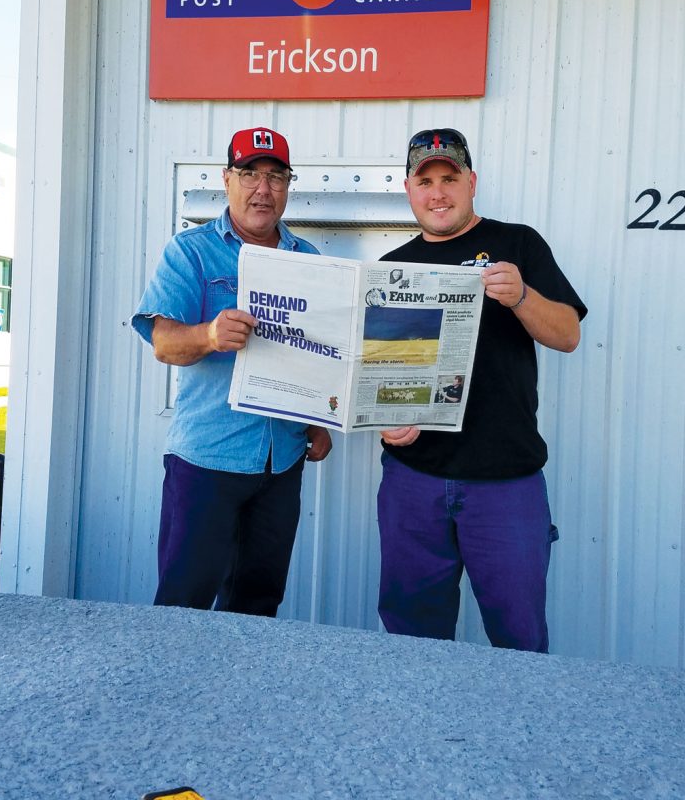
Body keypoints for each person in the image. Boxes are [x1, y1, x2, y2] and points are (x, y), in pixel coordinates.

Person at [377, 128, 587, 652]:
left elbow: (568, 335)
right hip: (413, 480)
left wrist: (521, 297)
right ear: (409, 189)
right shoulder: (390, 269)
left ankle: (524, 734)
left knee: (519, 637)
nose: (438, 193)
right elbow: (377, 375)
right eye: (425, 181)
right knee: (411, 636)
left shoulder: (518, 244)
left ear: (472, 182)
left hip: (506, 481)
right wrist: (384, 423)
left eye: (450, 178)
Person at [131, 126, 332, 615]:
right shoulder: (191, 252)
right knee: (184, 603)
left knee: (258, 605)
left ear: (288, 185)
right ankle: (174, 691)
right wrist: (209, 336)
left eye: (276, 176)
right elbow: (163, 343)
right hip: (206, 462)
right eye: (249, 174)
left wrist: (318, 421)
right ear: (227, 179)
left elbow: (316, 354)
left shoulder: (309, 260)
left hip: (280, 463)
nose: (263, 189)